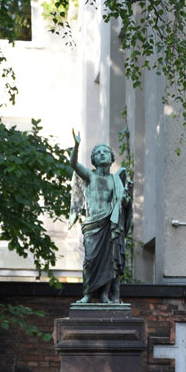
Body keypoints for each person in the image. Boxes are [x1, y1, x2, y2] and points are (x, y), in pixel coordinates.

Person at [68, 131, 132, 305]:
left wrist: (126, 197)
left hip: (111, 224)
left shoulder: (116, 179)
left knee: (110, 261)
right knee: (90, 260)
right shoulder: (90, 176)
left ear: (111, 159)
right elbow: (72, 163)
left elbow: (123, 204)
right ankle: (88, 294)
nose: (102, 154)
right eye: (98, 153)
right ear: (93, 160)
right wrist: (76, 145)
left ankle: (105, 295)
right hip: (93, 224)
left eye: (105, 152)